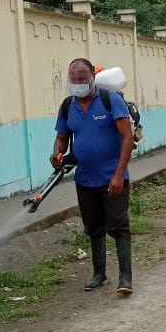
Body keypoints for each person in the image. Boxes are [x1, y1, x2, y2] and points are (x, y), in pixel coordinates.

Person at [51, 57, 135, 295]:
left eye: (82, 79)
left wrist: (119, 174)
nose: (77, 83)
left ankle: (125, 278)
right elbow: (62, 138)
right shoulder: (68, 106)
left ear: (92, 78)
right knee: (94, 227)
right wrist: (57, 153)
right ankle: (99, 274)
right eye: (73, 79)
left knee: (119, 226)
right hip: (85, 180)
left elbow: (127, 138)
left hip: (113, 178)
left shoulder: (110, 100)